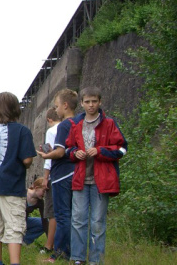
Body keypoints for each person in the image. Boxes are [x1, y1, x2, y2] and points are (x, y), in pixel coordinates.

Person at [66, 87, 127, 265]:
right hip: (80, 179)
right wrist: (75, 153)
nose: (91, 105)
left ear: (100, 102)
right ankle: (78, 259)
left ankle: (96, 260)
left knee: (98, 222)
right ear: (82, 104)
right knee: (78, 220)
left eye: (94, 101)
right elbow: (68, 148)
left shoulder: (109, 124)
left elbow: (122, 149)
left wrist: (100, 151)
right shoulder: (76, 124)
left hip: (102, 181)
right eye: (87, 102)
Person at [0, 92, 37, 265]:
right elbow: (27, 159)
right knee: (14, 225)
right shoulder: (22, 131)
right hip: (12, 185)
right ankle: (14, 262)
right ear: (15, 108)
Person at [38, 88, 79, 262]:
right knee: (73, 215)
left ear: (65, 105)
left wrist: (46, 155)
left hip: (61, 174)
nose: (56, 110)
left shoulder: (63, 125)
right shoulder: (79, 123)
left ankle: (60, 252)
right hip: (75, 172)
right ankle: (73, 251)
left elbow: (60, 152)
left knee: (61, 215)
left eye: (57, 106)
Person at [40, 107, 61, 254]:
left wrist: (45, 178)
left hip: (55, 175)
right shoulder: (68, 126)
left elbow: (49, 157)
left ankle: (49, 245)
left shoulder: (51, 131)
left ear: (49, 120)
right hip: (68, 175)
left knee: (52, 212)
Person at [24, 177, 48, 246]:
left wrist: (49, 241)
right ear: (36, 188)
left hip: (25, 221)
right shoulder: (23, 193)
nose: (44, 194)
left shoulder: (40, 202)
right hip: (15, 220)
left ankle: (25, 240)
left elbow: (44, 221)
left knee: (41, 223)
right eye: (43, 191)